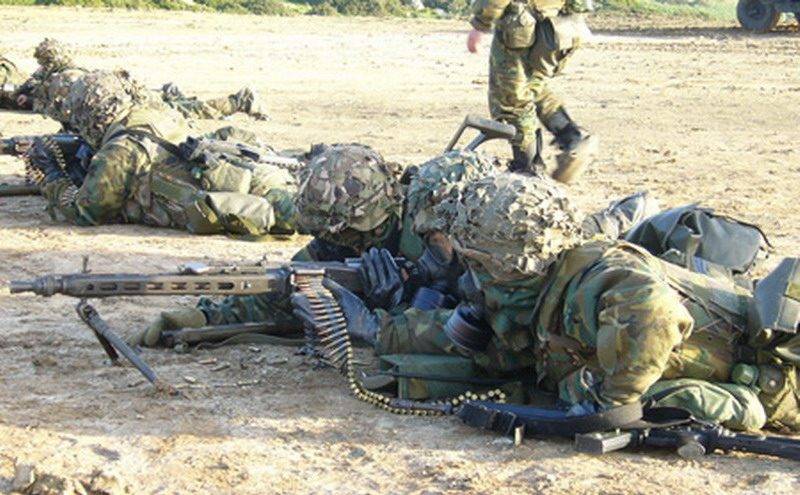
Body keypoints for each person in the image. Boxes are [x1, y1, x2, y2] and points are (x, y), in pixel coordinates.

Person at [294, 172, 800, 432]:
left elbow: (655, 312)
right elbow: (473, 335)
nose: (466, 267)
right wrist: (377, 328)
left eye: (473, 257)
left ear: (504, 260)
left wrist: (605, 401)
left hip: (780, 384)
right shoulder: (528, 287)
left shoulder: (595, 276)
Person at [28, 69, 297, 238]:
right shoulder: (152, 113)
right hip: (255, 175)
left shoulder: (121, 150)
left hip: (250, 200)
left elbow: (86, 212)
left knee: (300, 219)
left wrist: (50, 175)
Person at [467, 0, 597, 182]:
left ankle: (527, 170)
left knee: (513, 100)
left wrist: (481, 24)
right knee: (533, 87)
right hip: (558, 27)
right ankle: (571, 137)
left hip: (523, 28)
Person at [14, 38, 267, 121]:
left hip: (130, 106)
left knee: (184, 112)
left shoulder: (65, 78)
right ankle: (170, 93)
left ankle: (239, 101)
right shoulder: (68, 73)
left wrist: (35, 103)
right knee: (178, 108)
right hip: (128, 97)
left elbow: (64, 110)